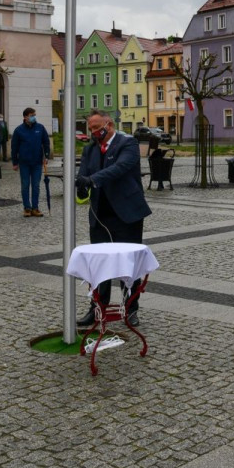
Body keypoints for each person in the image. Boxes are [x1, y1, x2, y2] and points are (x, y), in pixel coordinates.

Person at [75, 109, 152, 327]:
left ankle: (131, 309)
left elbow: (119, 168)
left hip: (127, 214)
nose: (94, 132)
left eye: (97, 128)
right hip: (100, 215)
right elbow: (84, 174)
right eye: (90, 129)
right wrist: (82, 187)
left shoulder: (127, 144)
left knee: (129, 264)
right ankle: (97, 308)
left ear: (109, 124)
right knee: (99, 266)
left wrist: (92, 180)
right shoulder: (90, 149)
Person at [11, 108, 51, 217]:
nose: (33, 116)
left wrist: (46, 155)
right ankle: (27, 208)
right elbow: (14, 147)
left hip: (37, 162)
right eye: (31, 115)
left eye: (34, 115)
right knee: (25, 185)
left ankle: (35, 207)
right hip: (24, 163)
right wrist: (15, 162)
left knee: (36, 185)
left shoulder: (40, 128)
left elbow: (46, 142)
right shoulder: (19, 130)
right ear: (25, 117)